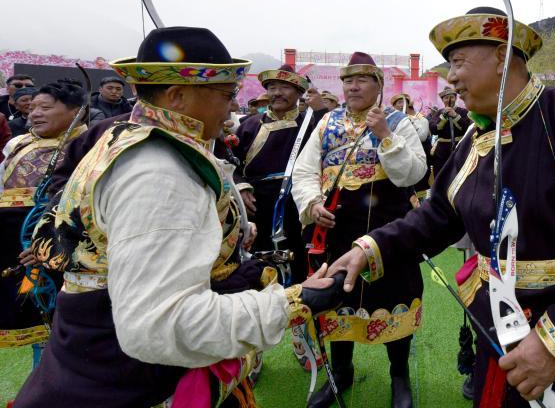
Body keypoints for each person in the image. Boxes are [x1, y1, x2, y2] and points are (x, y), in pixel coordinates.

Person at [328, 7, 555, 407]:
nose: (451, 76)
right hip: (500, 332)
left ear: (501, 55)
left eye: (458, 62)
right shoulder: (477, 138)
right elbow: (438, 215)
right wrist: (370, 247)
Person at [13, 27, 342, 408]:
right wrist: (295, 302)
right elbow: (160, 324)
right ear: (178, 96)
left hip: (96, 359)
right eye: (226, 95)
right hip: (128, 380)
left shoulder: (127, 136)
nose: (232, 108)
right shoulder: (157, 171)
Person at [292, 51, 427, 408]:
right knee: (337, 298)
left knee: (394, 294)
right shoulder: (327, 122)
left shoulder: (398, 121)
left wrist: (384, 135)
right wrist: (312, 204)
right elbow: (305, 171)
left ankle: (398, 375)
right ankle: (341, 372)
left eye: (361, 80)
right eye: (347, 80)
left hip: (388, 229)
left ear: (378, 86)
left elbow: (413, 174)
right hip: (337, 230)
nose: (352, 86)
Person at [0, 81, 88, 359]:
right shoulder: (19, 142)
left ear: (77, 111)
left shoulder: (87, 146)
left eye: (45, 107)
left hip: (55, 246)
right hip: (13, 245)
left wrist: (49, 244)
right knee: (30, 310)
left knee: (56, 315)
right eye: (33, 107)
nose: (34, 113)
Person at [232, 64, 327, 284]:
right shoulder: (249, 126)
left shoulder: (312, 123)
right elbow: (230, 163)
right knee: (259, 267)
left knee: (300, 263)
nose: (276, 93)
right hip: (258, 205)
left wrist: (322, 110)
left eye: (284, 87)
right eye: (272, 87)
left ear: (299, 93)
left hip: (298, 204)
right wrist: (241, 186)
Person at [391, 92, 431, 200]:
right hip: (397, 158)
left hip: (415, 157)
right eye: (398, 103)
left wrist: (410, 123)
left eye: (403, 102)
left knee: (419, 185)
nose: (401, 105)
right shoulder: (388, 121)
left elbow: (422, 137)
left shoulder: (419, 119)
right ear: (393, 106)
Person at [429, 86, 469, 177]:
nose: (449, 99)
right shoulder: (438, 113)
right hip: (441, 150)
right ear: (443, 100)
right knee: (441, 174)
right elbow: (433, 129)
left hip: (460, 147)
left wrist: (455, 115)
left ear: (455, 98)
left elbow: (466, 128)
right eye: (446, 98)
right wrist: (443, 117)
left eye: (452, 97)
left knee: (459, 174)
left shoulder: (463, 112)